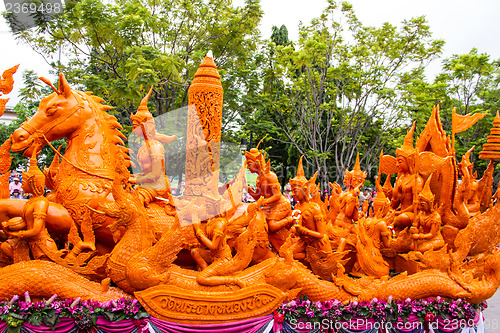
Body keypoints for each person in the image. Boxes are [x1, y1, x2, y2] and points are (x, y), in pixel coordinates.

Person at [130, 86, 178, 206]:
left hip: (158, 186)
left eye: (135, 127)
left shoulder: (155, 147)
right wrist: (128, 176)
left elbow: (156, 175)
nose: (133, 130)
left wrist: (135, 180)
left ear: (144, 126)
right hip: (146, 185)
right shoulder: (143, 148)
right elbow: (145, 173)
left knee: (134, 205)